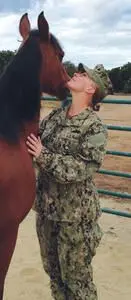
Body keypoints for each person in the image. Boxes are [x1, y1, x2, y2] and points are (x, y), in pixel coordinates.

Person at [26, 63, 109, 300]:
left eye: (83, 75)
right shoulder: (54, 117)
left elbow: (79, 169)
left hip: (76, 220)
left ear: (92, 88)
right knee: (54, 276)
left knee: (77, 284)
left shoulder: (95, 128)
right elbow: (31, 142)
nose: (76, 74)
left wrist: (43, 155)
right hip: (47, 213)